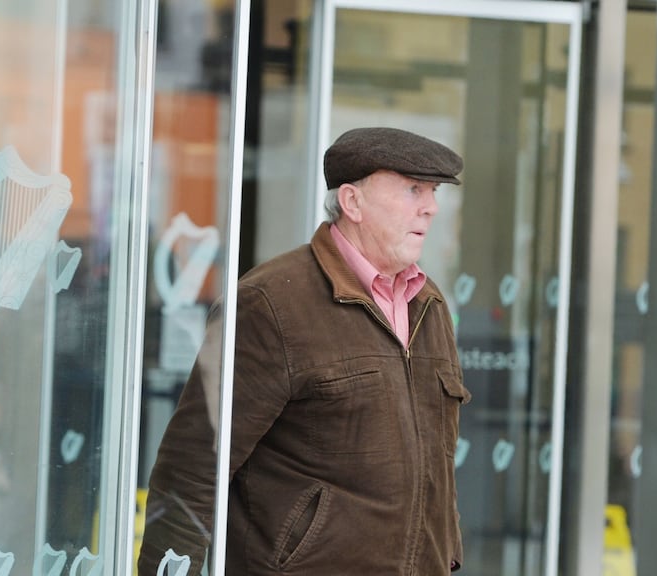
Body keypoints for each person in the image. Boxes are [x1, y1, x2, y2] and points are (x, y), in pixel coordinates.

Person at [139, 126, 471, 575]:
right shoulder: (269, 304)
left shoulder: (428, 303)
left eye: (432, 192)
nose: (430, 207)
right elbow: (193, 469)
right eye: (413, 189)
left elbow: (437, 470)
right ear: (352, 202)